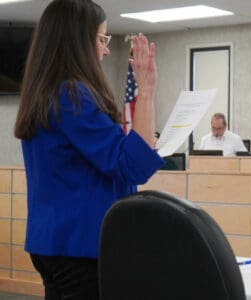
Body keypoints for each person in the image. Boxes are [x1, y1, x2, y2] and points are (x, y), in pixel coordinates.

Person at [13, 0, 164, 298]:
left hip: (52, 241)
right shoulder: (73, 95)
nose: (106, 49)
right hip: (81, 244)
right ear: (79, 41)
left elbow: (102, 156)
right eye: (101, 39)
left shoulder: (46, 92)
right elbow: (132, 166)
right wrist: (145, 91)